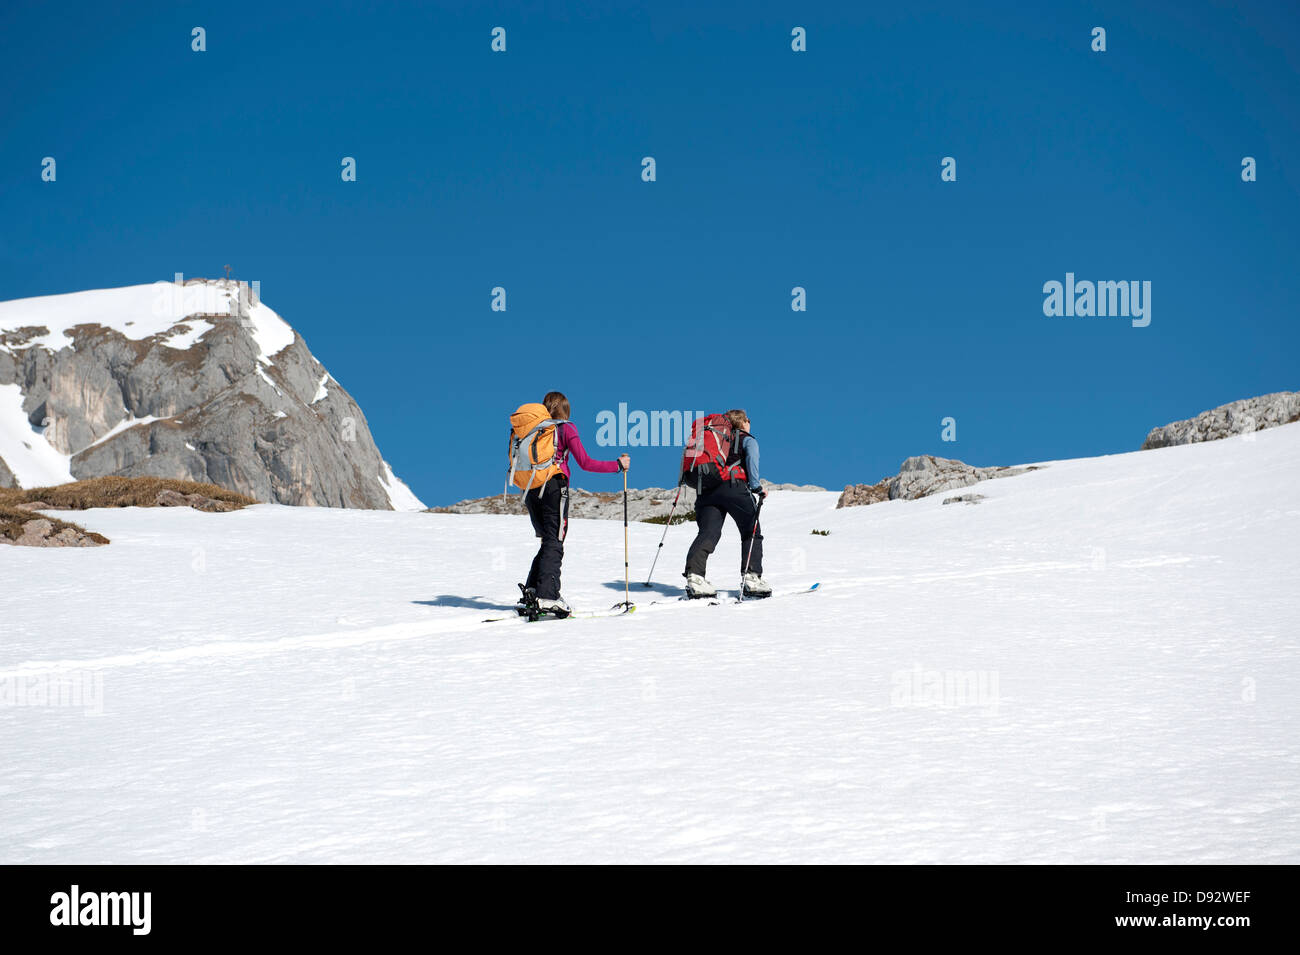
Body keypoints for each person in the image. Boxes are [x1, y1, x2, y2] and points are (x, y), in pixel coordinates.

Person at [520, 391, 630, 616]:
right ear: (565, 409)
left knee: (548, 542)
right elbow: (586, 462)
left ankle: (532, 592)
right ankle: (548, 596)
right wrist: (617, 465)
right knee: (555, 541)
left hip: (531, 488)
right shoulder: (565, 428)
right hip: (553, 486)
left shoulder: (534, 430)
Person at [683, 409, 772, 598]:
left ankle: (695, 576)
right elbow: (751, 461)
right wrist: (757, 488)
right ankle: (752, 578)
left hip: (707, 490)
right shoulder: (746, 439)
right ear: (742, 422)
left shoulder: (717, 438)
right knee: (751, 530)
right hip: (733, 487)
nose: (749, 422)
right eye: (748, 419)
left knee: (708, 532)